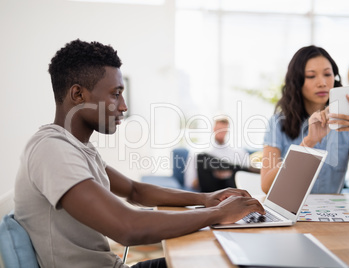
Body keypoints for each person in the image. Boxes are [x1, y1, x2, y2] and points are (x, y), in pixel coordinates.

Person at [13, 39, 264, 268]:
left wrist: (207, 198)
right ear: (78, 94)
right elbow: (128, 227)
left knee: (216, 258)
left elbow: (135, 190)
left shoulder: (77, 149)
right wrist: (219, 214)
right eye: (115, 94)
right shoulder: (52, 149)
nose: (124, 106)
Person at [261, 45, 349, 195]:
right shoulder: (277, 123)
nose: (322, 83)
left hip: (331, 213)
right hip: (292, 213)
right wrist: (308, 143)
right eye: (311, 76)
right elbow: (267, 187)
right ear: (297, 81)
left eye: (327, 74)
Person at [184, 116, 251, 192]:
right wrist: (215, 173)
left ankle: (232, 169)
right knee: (202, 157)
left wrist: (227, 174)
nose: (221, 133)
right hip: (210, 189)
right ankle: (232, 167)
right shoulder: (198, 150)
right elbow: (190, 182)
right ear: (214, 129)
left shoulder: (238, 152)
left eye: (224, 130)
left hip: (231, 187)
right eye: (219, 129)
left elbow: (246, 175)